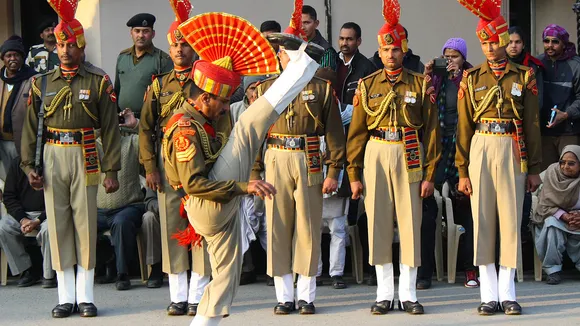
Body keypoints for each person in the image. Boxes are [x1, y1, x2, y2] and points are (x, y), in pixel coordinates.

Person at [163, 11, 321, 325]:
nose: (225, 108)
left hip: (216, 207)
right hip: (209, 202)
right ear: (205, 98)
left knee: (226, 278)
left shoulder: (203, 118)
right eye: (222, 103)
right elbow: (194, 184)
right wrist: (244, 187)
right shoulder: (185, 130)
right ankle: (299, 62)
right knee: (249, 124)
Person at [20, 0, 121, 318]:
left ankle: (86, 296)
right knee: (59, 226)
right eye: (60, 44)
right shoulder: (41, 83)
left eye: (70, 45)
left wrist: (112, 168)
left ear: (81, 45)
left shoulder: (98, 81)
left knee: (85, 225)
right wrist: (28, 166)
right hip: (52, 155)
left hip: (86, 153)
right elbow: (30, 128)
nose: (64, 50)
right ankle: (65, 297)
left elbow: (110, 127)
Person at [347, 0, 440, 315]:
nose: (391, 54)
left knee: (411, 222)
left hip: (410, 151)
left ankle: (409, 294)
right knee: (378, 222)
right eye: (386, 50)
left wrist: (430, 175)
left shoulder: (419, 83)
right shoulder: (367, 84)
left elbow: (432, 132)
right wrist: (354, 175)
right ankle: (384, 293)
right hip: (376, 152)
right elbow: (357, 133)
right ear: (379, 51)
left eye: (396, 49)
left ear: (404, 49)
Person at [251, 3, 346, 314]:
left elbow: (334, 134)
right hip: (276, 156)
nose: (285, 56)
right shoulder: (266, 89)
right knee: (277, 225)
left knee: (308, 225)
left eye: (290, 52)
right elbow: (255, 134)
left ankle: (306, 295)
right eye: (282, 53)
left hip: (309, 157)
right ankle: (283, 296)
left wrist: (334, 170)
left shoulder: (321, 89)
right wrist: (254, 172)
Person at [456, 0, 542, 316]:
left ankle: (508, 293)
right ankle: (488, 294)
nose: (490, 48)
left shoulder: (524, 76)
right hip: (481, 145)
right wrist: (462, 170)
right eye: (484, 42)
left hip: (511, 147)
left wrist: (534, 168)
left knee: (509, 221)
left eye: (494, 41)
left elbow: (532, 125)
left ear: (504, 40)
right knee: (482, 220)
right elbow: (463, 127)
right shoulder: (472, 77)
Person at [139, 1, 211, 316]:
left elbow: (221, 123)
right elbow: (144, 129)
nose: (180, 49)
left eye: (185, 43)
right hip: (168, 170)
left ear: (194, 47)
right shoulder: (158, 85)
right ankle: (178, 295)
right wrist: (150, 168)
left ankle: (198, 294)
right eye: (175, 44)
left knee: (201, 226)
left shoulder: (206, 82)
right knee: (173, 229)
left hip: (200, 165)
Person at [419, 38, 477, 289]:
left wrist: (458, 80)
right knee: (428, 206)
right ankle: (426, 272)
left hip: (465, 149)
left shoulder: (472, 79)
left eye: (455, 56)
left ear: (464, 58)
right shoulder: (436, 81)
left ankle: (470, 268)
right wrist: (428, 77)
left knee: (465, 206)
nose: (450, 60)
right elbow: (422, 110)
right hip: (439, 149)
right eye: (447, 56)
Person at [96, 109, 146, 291]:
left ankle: (122, 274)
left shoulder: (131, 142)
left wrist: (136, 125)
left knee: (121, 222)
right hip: (99, 211)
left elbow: (151, 143)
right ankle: (103, 262)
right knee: (81, 222)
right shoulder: (93, 146)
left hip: (129, 206)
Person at [230, 75, 267, 285]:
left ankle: (273, 268)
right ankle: (246, 268)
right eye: (251, 88)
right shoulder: (235, 110)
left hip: (266, 174)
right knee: (241, 221)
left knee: (268, 224)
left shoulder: (270, 110)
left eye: (259, 87)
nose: (255, 93)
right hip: (241, 174)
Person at [0, 156, 54, 287]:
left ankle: (50, 275)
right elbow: (9, 196)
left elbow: (61, 200)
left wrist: (38, 220)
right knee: (3, 227)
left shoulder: (53, 160)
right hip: (23, 214)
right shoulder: (17, 163)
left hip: (49, 213)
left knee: (49, 230)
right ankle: (26, 270)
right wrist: (23, 219)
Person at [533, 145, 580, 285]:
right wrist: (564, 216)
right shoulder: (552, 173)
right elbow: (544, 205)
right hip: (554, 216)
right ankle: (553, 270)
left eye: (571, 163)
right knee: (552, 226)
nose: (565, 167)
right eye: (562, 162)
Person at [538, 25, 580, 170]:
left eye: (555, 42)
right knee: (545, 177)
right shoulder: (538, 63)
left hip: (568, 131)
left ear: (564, 43)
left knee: (568, 175)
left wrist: (567, 114)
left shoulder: (575, 65)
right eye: (546, 41)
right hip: (544, 132)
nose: (550, 45)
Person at [115, 13, 172, 118]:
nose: (141, 35)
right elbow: (117, 90)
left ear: (153, 34)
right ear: (131, 33)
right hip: (123, 122)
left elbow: (168, 98)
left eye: (146, 31)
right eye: (137, 31)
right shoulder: (122, 57)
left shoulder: (163, 60)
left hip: (149, 123)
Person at [0, 36, 36, 179]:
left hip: (23, 143)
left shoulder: (33, 79)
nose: (12, 58)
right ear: (3, 58)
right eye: (9, 55)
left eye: (16, 55)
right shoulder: (0, 80)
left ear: (22, 57)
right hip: (2, 142)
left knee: (24, 181)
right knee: (7, 181)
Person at [302, 5, 337, 70]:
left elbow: (324, 78)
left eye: (306, 23)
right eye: (299, 23)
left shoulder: (325, 51)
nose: (302, 27)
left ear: (316, 23)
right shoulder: (293, 44)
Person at [142, 188, 163, 288]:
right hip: (163, 211)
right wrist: (163, 208)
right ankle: (155, 267)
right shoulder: (156, 172)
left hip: (188, 208)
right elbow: (149, 201)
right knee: (149, 217)